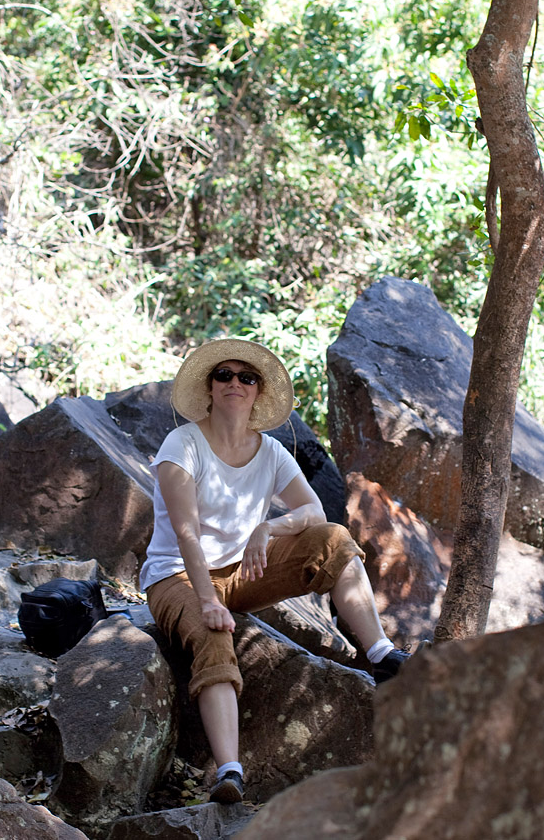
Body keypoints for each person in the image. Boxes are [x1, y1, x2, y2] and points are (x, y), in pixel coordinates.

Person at [140, 338, 410, 804]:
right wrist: (207, 601)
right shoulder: (181, 445)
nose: (235, 383)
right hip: (177, 576)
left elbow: (313, 510)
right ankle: (229, 771)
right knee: (214, 633)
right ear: (209, 387)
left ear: (258, 392)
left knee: (333, 539)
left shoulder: (271, 452)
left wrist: (269, 527)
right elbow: (186, 534)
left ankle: (382, 655)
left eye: (246, 377)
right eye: (224, 374)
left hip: (243, 571)